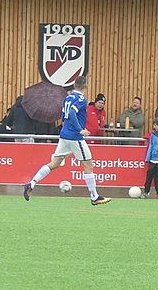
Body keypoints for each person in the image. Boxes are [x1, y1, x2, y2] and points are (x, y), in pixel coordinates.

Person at [21, 76, 111, 205]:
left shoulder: (68, 98)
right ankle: (94, 197)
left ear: (74, 85)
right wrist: (80, 129)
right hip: (75, 137)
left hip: (64, 135)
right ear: (86, 86)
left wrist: (69, 126)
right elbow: (72, 113)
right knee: (88, 165)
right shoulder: (81, 99)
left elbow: (64, 116)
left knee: (54, 163)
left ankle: (31, 183)